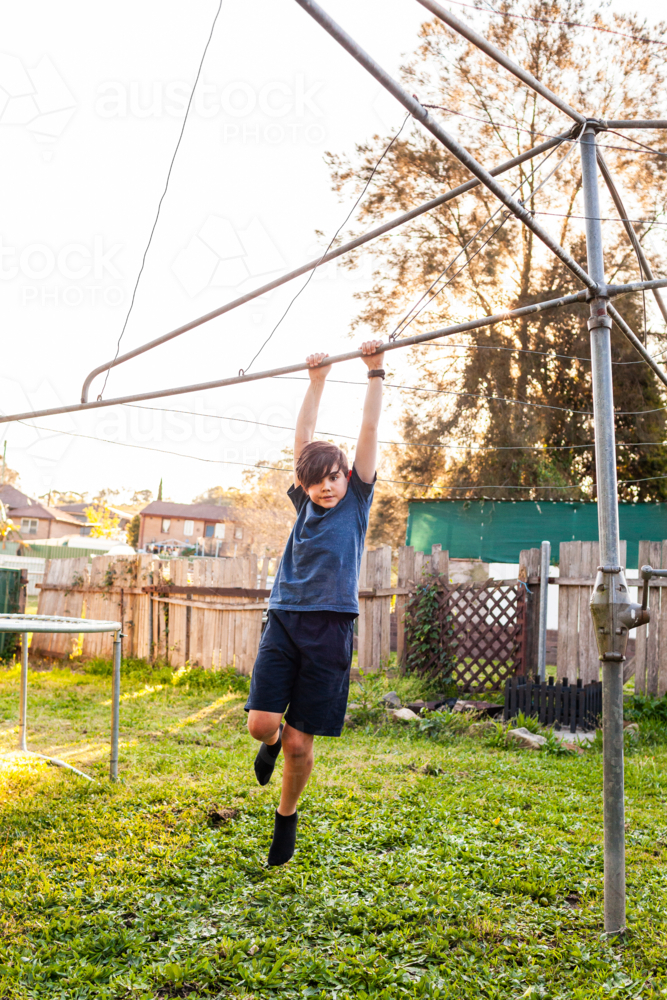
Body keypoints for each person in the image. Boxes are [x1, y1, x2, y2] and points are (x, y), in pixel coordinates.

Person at [244, 339, 385, 865]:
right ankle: (270, 743)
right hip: (283, 618)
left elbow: (368, 433)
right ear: (304, 483)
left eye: (334, 477)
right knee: (262, 725)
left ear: (346, 477)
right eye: (317, 479)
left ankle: (286, 818)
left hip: (330, 628)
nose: (326, 487)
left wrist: (375, 372)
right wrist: (317, 379)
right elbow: (304, 439)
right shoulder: (305, 502)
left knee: (302, 743)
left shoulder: (357, 500)